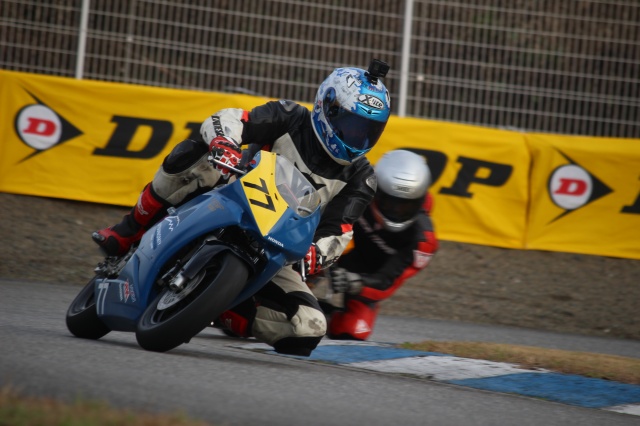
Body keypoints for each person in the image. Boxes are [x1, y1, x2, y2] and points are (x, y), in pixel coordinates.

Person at [92, 60, 392, 356]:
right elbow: (232, 119)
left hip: (277, 248)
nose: (359, 137)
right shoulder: (290, 116)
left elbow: (340, 230)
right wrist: (225, 143)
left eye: (369, 130)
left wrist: (318, 253)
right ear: (328, 107)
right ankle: (130, 230)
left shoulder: (361, 177)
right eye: (352, 126)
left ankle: (220, 307)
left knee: (308, 327)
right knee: (191, 154)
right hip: (231, 193)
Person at [315, 149, 438, 341]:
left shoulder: (423, 241)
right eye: (389, 203)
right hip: (333, 249)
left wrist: (357, 284)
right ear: (377, 191)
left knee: (353, 332)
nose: (396, 211)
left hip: (369, 276)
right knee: (305, 259)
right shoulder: (357, 185)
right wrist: (320, 252)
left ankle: (325, 317)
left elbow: (387, 284)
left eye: (406, 206)